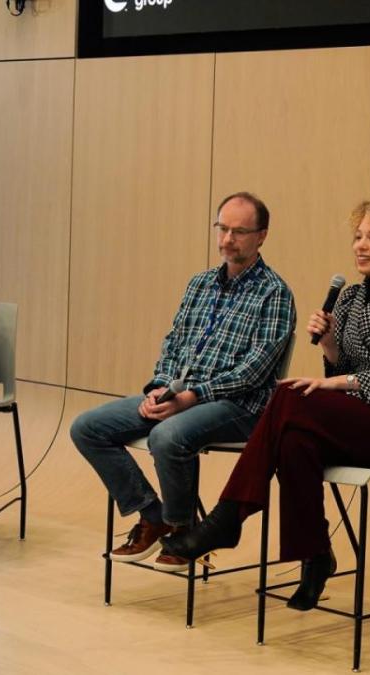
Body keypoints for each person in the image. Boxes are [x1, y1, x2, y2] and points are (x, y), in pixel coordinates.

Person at [161, 194, 370, 611]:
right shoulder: (351, 296)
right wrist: (332, 345)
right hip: (358, 419)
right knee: (296, 440)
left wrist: (335, 382)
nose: (361, 246)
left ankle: (228, 518)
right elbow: (346, 366)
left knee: (286, 395)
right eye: (357, 236)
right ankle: (315, 556)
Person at [71, 192, 295, 572]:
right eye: (222, 228)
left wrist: (193, 397)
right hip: (181, 395)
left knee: (167, 436)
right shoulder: (200, 284)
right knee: (87, 427)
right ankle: (151, 514)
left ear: (262, 236)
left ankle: (183, 530)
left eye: (239, 232)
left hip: (239, 407)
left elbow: (254, 371)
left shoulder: (274, 293)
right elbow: (174, 342)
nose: (227, 240)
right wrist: (158, 388)